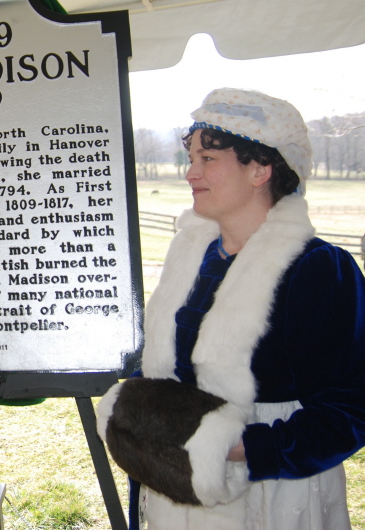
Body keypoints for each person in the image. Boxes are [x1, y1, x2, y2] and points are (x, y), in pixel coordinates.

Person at [97, 88, 365, 529]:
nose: (190, 173)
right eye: (191, 158)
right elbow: (170, 366)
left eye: (208, 159)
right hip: (176, 484)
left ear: (260, 169)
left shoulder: (317, 267)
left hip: (270, 493)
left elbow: (350, 408)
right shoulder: (192, 254)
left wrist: (240, 447)